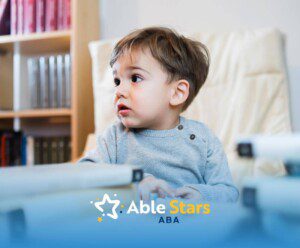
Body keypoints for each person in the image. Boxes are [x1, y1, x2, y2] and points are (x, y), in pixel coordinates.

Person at [79, 27, 239, 202]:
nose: (119, 91)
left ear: (177, 93)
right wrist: (133, 182)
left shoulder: (203, 140)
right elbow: (84, 173)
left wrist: (202, 195)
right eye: (117, 81)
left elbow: (228, 193)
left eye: (135, 78)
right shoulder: (114, 139)